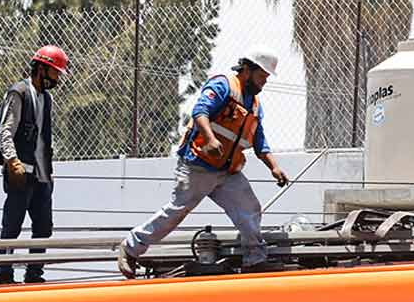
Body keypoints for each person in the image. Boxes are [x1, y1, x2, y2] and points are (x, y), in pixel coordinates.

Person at [117, 47, 290, 278]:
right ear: (247, 70)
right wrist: (209, 139)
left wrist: (274, 167)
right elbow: (200, 112)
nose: (264, 83)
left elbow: (260, 142)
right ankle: (130, 248)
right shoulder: (223, 85)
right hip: (198, 165)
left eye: (266, 78)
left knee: (249, 208)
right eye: (262, 77)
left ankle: (255, 260)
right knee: (176, 211)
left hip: (227, 172)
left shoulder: (255, 106)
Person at [0, 45, 67, 286]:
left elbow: (43, 140)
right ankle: (4, 275)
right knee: (12, 225)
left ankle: (34, 274)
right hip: (20, 173)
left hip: (42, 175)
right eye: (55, 72)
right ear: (42, 69)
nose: (57, 78)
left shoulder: (47, 98)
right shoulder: (19, 92)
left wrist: (49, 174)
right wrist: (12, 161)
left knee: (43, 227)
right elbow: (6, 130)